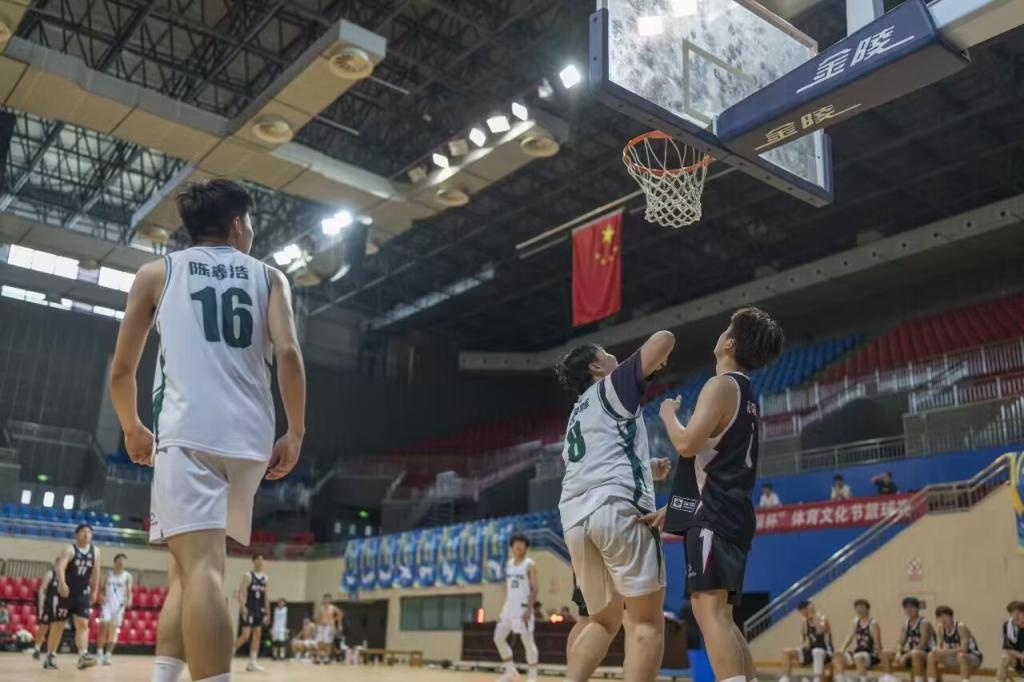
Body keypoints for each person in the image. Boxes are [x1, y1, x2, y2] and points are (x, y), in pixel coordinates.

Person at [109, 178, 306, 682]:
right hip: (250, 440)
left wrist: (131, 426)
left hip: (190, 434)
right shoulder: (271, 278)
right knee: (186, 565)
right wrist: (296, 432)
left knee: (201, 569)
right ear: (238, 226)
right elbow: (288, 353)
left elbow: (122, 371)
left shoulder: (158, 273)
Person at [646, 307, 785, 682]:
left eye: (726, 328)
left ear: (730, 343)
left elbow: (687, 445)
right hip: (731, 511)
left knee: (709, 612)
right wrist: (676, 508)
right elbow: (713, 460)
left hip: (715, 513)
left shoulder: (721, 386)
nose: (721, 333)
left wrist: (668, 414)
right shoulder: (747, 393)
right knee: (722, 615)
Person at [555, 329, 676, 682]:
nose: (613, 357)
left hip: (574, 519)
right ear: (596, 366)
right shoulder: (612, 386)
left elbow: (598, 463)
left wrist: (646, 468)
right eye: (606, 353)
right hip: (616, 510)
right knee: (646, 622)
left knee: (602, 621)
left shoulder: (577, 413)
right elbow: (665, 339)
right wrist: (641, 364)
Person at [44, 523, 100, 670]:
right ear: (77, 534)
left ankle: (83, 655)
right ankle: (50, 656)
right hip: (65, 593)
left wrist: (95, 591)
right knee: (58, 625)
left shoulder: (96, 551)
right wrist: (62, 584)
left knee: (83, 624)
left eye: (89, 532)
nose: (86, 534)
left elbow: (96, 572)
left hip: (82, 593)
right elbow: (60, 567)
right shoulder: (70, 549)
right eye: (83, 532)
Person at [493, 533, 539, 682]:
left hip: (523, 606)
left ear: (526, 547)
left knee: (528, 642)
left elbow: (535, 588)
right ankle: (511, 672)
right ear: (511, 546)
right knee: (498, 637)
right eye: (516, 543)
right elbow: (508, 588)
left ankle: (532, 676)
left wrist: (530, 609)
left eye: (521, 543)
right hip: (509, 607)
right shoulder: (509, 564)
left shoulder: (529, 564)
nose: (518, 545)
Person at [881, 597, 935, 682]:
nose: (909, 610)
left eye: (911, 607)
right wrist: (898, 652)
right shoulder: (906, 624)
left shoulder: (924, 623)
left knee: (915, 653)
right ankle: (889, 678)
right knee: (885, 653)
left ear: (918, 608)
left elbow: (922, 645)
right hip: (912, 653)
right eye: (906, 608)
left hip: (926, 654)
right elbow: (901, 642)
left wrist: (906, 656)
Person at [233, 554, 270, 672]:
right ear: (254, 561)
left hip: (260, 610)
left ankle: (252, 663)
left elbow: (266, 596)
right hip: (249, 609)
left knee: (257, 636)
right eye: (258, 559)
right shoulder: (248, 575)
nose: (261, 561)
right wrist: (242, 607)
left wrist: (268, 613)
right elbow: (240, 592)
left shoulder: (265, 578)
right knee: (245, 636)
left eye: (262, 559)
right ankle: (226, 656)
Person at [780, 600, 833, 682]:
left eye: (805, 612)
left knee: (816, 651)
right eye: (802, 613)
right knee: (786, 651)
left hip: (825, 651)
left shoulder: (823, 618)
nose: (804, 615)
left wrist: (814, 615)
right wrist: (802, 645)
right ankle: (785, 679)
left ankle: (817, 679)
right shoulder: (804, 622)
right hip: (811, 650)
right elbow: (803, 637)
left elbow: (819, 631)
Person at [927, 605, 982, 682]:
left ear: (951, 617)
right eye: (940, 617)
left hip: (972, 657)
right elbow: (940, 646)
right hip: (955, 658)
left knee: (961, 655)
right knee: (931, 655)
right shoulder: (940, 628)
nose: (943, 619)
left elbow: (964, 649)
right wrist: (937, 650)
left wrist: (946, 651)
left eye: (945, 616)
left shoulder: (960, 627)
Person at [97, 552, 134, 666]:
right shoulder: (108, 574)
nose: (121, 562)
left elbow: (129, 591)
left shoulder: (127, 576)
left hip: (119, 607)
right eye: (119, 560)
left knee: (113, 632)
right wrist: (101, 596)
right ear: (115, 562)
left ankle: (108, 655)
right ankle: (99, 653)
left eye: (123, 560)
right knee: (103, 628)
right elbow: (101, 589)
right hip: (107, 605)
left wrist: (130, 599)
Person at [834, 599, 882, 682]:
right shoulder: (855, 621)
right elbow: (850, 636)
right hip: (858, 652)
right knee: (838, 657)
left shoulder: (873, 624)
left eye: (861, 607)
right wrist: (842, 648)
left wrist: (880, 655)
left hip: (871, 654)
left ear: (867, 609)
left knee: (858, 657)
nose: (859, 609)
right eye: (857, 607)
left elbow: (878, 643)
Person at [33, 558, 61, 661]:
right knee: (43, 628)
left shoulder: (66, 576)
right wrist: (41, 607)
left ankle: (51, 652)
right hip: (48, 605)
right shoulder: (50, 574)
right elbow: (42, 590)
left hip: (59, 606)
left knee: (55, 629)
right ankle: (37, 648)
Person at [998, 601, 1024, 682]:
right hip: (1019, 660)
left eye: (1019, 612)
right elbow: (1008, 648)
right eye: (1013, 613)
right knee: (1005, 658)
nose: (1016, 616)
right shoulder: (1008, 626)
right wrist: (1021, 656)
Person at [314, 593, 341, 664]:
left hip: (329, 626)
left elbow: (340, 614)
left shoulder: (333, 607)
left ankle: (327, 657)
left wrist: (337, 623)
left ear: (330, 600)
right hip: (321, 626)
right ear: (323, 599)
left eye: (328, 599)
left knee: (328, 642)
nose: (326, 600)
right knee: (319, 641)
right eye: (325, 598)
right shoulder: (321, 608)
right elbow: (318, 618)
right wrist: (316, 627)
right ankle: (318, 657)